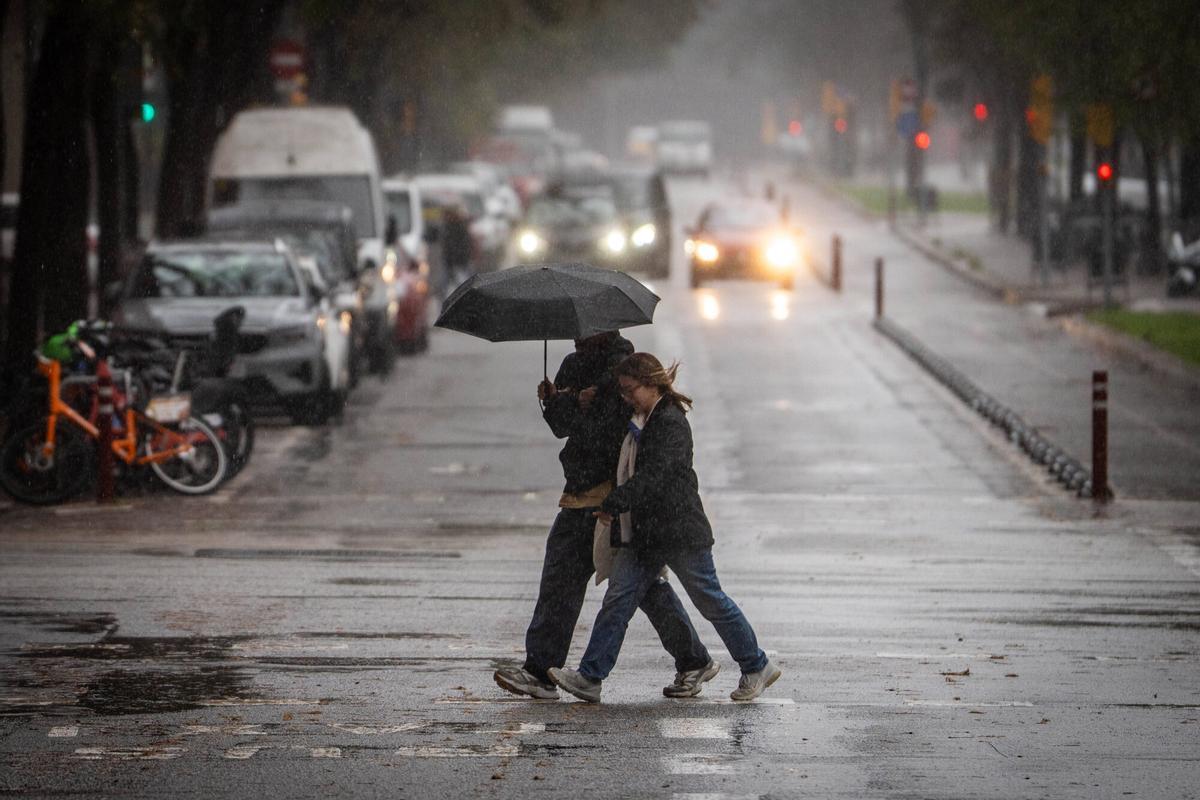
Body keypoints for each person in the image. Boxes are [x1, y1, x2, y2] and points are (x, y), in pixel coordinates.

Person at [493, 333, 717, 700]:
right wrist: (555, 403)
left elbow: (622, 429)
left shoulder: (623, 368)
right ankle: (691, 659)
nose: (579, 334)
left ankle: (543, 671)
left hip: (610, 492)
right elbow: (562, 429)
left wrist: (592, 404)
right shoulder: (571, 363)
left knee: (626, 584)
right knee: (616, 583)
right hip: (579, 488)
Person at [548, 353, 781, 703]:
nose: (627, 398)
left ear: (652, 383)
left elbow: (654, 478)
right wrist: (561, 401)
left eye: (631, 391)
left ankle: (756, 664)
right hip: (644, 535)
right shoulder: (641, 420)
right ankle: (590, 677)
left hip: (678, 531)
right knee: (618, 599)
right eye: (623, 392)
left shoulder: (670, 423)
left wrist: (615, 501)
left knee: (709, 599)